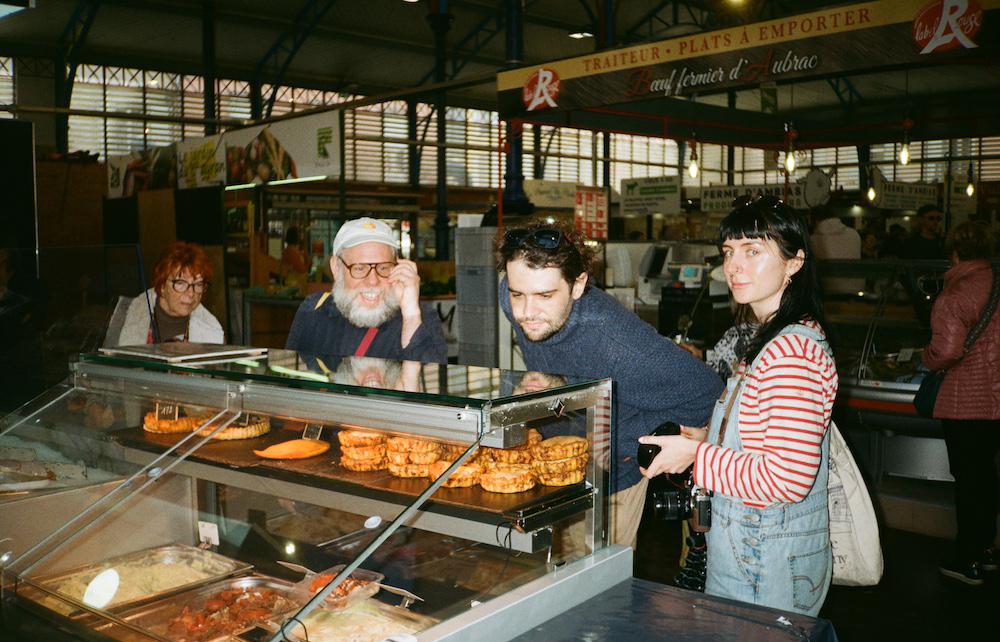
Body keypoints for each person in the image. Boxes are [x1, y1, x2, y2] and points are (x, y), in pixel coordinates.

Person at [640, 196, 838, 617]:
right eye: (729, 252)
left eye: (753, 251)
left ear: (794, 262)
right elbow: (766, 437)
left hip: (765, 565)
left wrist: (697, 456)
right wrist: (709, 437)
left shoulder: (790, 354)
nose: (733, 266)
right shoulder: (771, 335)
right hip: (754, 553)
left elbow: (786, 479)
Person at [494, 220, 723, 548]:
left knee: (595, 589)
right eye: (519, 294)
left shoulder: (618, 344)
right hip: (553, 466)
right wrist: (560, 385)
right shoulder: (509, 297)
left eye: (545, 295)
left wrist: (619, 440)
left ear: (577, 285)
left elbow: (708, 393)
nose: (527, 312)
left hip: (612, 478)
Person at [922, 221, 1000, 585]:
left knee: (968, 478)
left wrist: (927, 358)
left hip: (967, 400)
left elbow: (948, 350)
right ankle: (985, 549)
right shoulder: (994, 282)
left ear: (953, 252)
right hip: (995, 399)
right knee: (985, 475)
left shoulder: (955, 293)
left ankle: (966, 557)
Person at [286, 217, 446, 363]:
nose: (373, 281)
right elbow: (288, 380)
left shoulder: (420, 318)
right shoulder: (314, 311)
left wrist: (411, 316)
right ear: (336, 268)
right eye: (360, 268)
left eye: (383, 268)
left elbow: (429, 388)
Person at [118, 241, 224, 345]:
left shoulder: (213, 332)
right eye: (181, 283)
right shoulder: (125, 315)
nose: (191, 293)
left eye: (198, 284)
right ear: (162, 286)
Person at [810, 207, 862, 294]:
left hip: (828, 290)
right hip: (856, 288)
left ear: (816, 221)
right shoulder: (854, 234)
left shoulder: (814, 240)